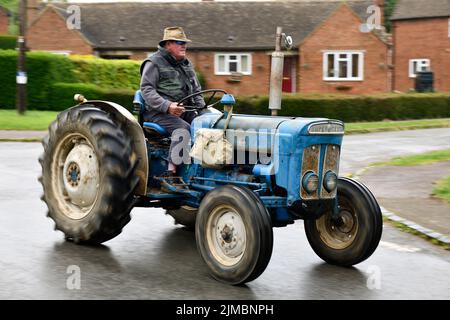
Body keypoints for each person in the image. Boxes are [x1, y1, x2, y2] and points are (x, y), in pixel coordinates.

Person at [140, 26, 205, 179]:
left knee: (207, 126)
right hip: (157, 113)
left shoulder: (186, 64)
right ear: (168, 44)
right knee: (183, 129)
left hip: (184, 110)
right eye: (179, 42)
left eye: (185, 43)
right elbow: (146, 90)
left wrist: (203, 111)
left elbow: (196, 90)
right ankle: (171, 172)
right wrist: (167, 106)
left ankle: (202, 167)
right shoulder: (153, 62)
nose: (184, 46)